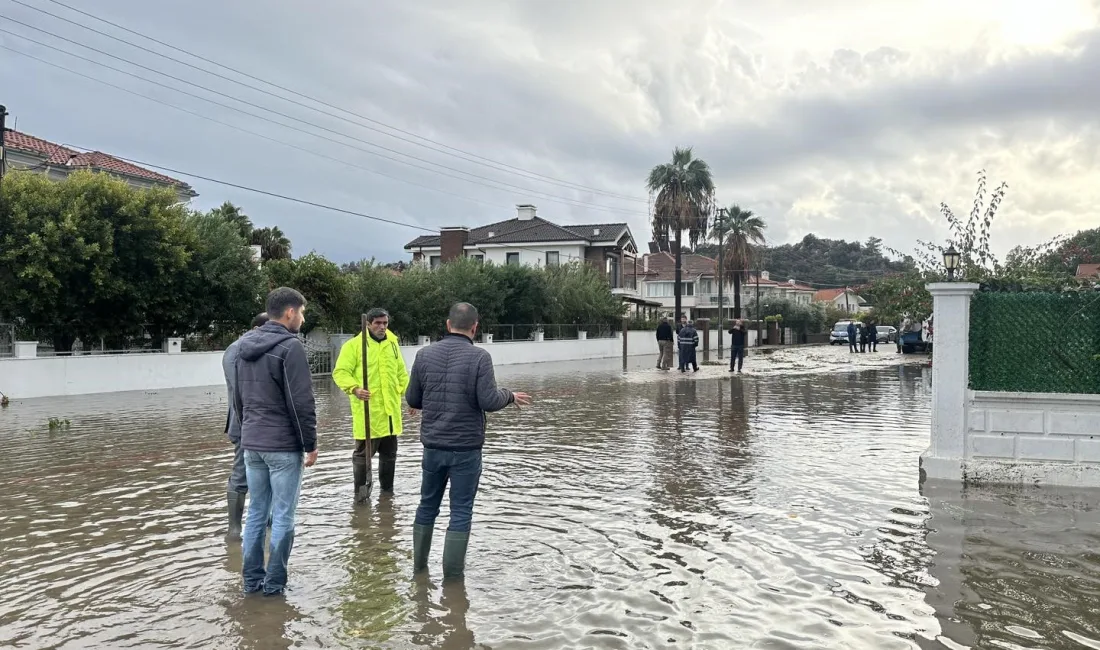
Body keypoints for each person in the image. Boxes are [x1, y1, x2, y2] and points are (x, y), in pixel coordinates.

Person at [405, 302, 531, 580]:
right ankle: (453, 582)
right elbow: (488, 400)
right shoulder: (479, 358)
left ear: (448, 325)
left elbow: (413, 399)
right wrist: (509, 395)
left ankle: (419, 571)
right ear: (475, 328)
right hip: (466, 450)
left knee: (427, 505)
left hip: (433, 447)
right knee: (460, 511)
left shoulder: (424, 355)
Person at [233, 287, 318, 596]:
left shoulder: (243, 346)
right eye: (303, 312)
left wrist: (247, 435)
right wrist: (310, 443)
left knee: (256, 513)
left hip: (252, 444)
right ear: (289, 313)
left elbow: (238, 400)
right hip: (282, 445)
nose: (303, 318)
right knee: (282, 515)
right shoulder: (290, 347)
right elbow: (302, 402)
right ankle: (275, 586)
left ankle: (251, 582)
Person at [332, 308, 410, 502]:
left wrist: (407, 395)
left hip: (390, 413)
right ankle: (360, 496)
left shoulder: (392, 344)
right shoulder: (354, 346)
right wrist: (355, 389)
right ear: (368, 324)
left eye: (385, 323)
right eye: (378, 323)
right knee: (362, 456)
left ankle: (387, 494)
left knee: (389, 455)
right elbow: (340, 372)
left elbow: (401, 372)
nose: (382, 327)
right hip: (368, 413)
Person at [221, 311, 269, 542]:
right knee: (241, 475)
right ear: (258, 329)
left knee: (270, 475)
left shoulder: (268, 348)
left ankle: (267, 523)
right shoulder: (235, 350)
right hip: (244, 426)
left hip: (268, 427)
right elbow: (243, 393)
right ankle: (234, 529)